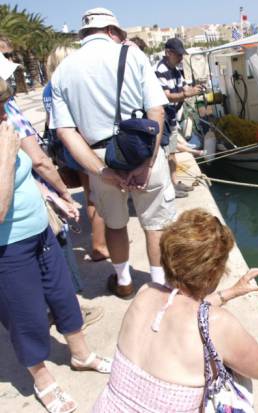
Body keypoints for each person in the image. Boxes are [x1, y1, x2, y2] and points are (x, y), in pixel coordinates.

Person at [92, 209, 258, 412]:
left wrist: (231, 292)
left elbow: (183, 308)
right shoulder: (219, 324)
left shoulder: (145, 293)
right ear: (214, 272)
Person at [0, 73, 111, 413]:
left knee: (63, 295)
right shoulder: (5, 140)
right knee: (27, 314)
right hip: (8, 248)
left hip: (40, 232)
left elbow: (34, 168)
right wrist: (6, 155)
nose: (5, 112)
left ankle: (80, 355)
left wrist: (59, 194)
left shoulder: (5, 123)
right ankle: (42, 378)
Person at [51, 8, 174, 297]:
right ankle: (157, 288)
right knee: (155, 225)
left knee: (115, 226)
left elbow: (65, 132)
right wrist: (147, 162)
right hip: (144, 151)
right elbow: (156, 110)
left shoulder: (62, 72)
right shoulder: (133, 55)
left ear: (83, 35)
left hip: (99, 158)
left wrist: (101, 171)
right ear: (112, 31)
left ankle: (124, 282)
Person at [44, 45, 110, 262]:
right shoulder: (68, 85)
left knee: (91, 193)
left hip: (65, 151)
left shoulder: (48, 89)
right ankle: (100, 246)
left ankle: (99, 241)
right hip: (80, 147)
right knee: (96, 198)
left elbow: (50, 123)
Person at [154, 38, 204, 198]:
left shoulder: (175, 70)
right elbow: (165, 97)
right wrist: (186, 94)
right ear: (168, 52)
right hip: (163, 119)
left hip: (172, 117)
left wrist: (193, 89)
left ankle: (175, 182)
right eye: (178, 55)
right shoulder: (159, 70)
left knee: (172, 151)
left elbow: (184, 87)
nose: (181, 58)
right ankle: (169, 187)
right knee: (166, 154)